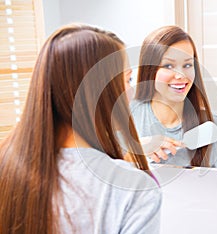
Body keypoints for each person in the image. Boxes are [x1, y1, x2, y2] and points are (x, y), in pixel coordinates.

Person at [0, 23, 161, 234]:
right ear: (98, 90)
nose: (131, 92)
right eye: (127, 79)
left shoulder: (7, 166)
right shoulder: (133, 188)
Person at [130, 25, 217, 169]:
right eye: (169, 66)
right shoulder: (126, 116)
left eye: (188, 65)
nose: (181, 75)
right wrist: (134, 151)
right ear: (149, 70)